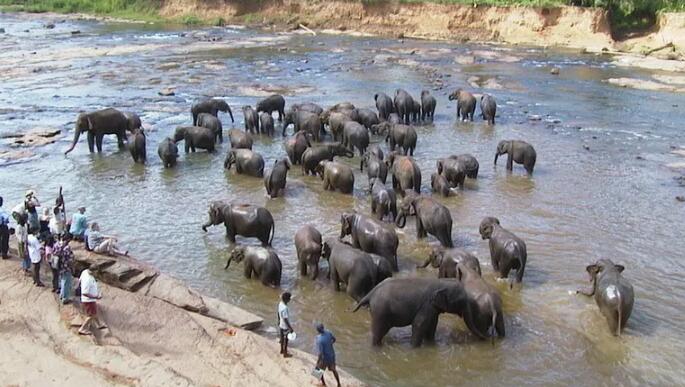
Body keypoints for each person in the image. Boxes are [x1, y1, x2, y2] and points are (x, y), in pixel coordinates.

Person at [78, 268, 106, 335]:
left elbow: (80, 281)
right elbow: (85, 293)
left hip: (91, 300)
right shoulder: (88, 280)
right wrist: (96, 297)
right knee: (91, 315)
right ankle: (82, 329)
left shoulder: (84, 271)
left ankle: (99, 325)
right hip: (88, 300)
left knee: (94, 312)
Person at [315, 323, 341, 387]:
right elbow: (334, 339)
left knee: (318, 371)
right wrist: (330, 344)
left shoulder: (319, 340)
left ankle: (323, 384)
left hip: (324, 359)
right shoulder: (329, 332)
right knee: (334, 370)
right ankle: (339, 384)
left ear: (318, 331)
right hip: (332, 356)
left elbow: (320, 353)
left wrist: (317, 362)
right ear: (323, 328)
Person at [55, 234, 75, 304]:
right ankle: (65, 298)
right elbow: (70, 260)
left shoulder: (56, 244)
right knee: (66, 282)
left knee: (62, 280)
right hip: (66, 267)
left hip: (59, 266)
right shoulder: (67, 248)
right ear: (68, 239)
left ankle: (61, 294)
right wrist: (73, 268)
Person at [278, 292, 294, 358]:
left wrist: (278, 320)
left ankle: (281, 350)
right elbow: (285, 319)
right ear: (287, 299)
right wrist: (290, 328)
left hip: (281, 324)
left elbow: (278, 313)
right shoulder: (285, 308)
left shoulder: (280, 304)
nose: (290, 300)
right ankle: (285, 354)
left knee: (282, 338)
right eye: (289, 299)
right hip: (285, 326)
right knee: (286, 340)